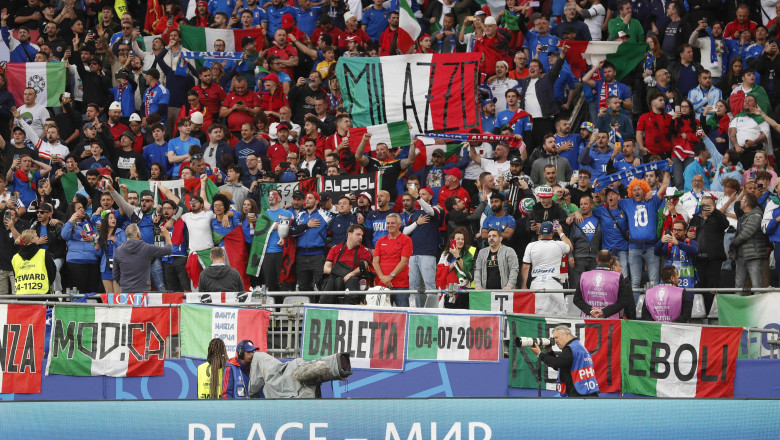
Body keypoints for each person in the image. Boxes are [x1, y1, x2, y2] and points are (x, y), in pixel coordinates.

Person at [528, 325, 599, 398]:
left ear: (566, 334)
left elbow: (557, 363)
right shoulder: (578, 346)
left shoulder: (571, 349)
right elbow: (561, 366)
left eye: (557, 337)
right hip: (585, 390)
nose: (555, 341)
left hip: (579, 393)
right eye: (554, 338)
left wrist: (540, 354)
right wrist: (549, 352)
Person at [688, 196, 729, 311]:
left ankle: (710, 313)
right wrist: (688, 235)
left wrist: (715, 212)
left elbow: (725, 224)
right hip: (698, 258)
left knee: (712, 286)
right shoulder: (695, 218)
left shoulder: (718, 217)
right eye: (703, 205)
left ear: (714, 206)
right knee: (700, 286)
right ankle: (700, 312)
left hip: (713, 258)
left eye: (708, 205)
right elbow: (689, 231)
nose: (705, 207)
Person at [574, 250, 634, 319]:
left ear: (597, 260)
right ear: (611, 261)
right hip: (611, 322)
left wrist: (591, 311)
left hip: (588, 320)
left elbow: (577, 299)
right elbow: (623, 301)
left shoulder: (584, 275)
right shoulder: (618, 277)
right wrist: (603, 312)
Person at [113, 223, 173, 292]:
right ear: (138, 234)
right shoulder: (146, 248)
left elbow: (115, 274)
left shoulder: (118, 251)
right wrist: (167, 235)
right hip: (143, 292)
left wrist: (124, 284)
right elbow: (169, 250)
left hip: (125, 291)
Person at [321, 224, 373, 304]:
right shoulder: (335, 248)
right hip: (336, 277)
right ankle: (324, 309)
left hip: (354, 279)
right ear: (349, 234)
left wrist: (350, 275)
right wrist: (341, 274)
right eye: (358, 234)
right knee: (331, 281)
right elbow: (326, 268)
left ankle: (349, 309)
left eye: (362, 235)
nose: (360, 238)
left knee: (352, 281)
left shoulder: (364, 250)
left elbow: (363, 267)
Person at [372, 213, 413, 307]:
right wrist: (383, 277)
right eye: (388, 223)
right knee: (381, 316)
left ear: (399, 224)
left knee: (403, 314)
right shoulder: (380, 241)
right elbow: (375, 261)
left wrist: (390, 276)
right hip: (382, 284)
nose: (390, 225)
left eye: (393, 223)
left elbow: (404, 261)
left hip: (401, 284)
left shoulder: (406, 240)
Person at [730, 193, 767, 288]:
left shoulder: (756, 216)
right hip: (741, 256)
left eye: (742, 200)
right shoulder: (743, 216)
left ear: (746, 203)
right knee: (738, 285)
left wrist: (732, 245)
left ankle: (758, 303)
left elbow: (745, 234)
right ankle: (739, 303)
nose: (740, 202)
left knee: (757, 285)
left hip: (754, 255)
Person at [11, 229, 57, 295]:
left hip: (22, 295)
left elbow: (16, 275)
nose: (38, 237)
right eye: (36, 236)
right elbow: (52, 272)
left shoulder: (15, 258)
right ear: (31, 239)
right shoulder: (43, 253)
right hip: (42, 295)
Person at [97, 211, 127, 294]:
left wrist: (115, 241)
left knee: (117, 293)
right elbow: (100, 254)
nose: (113, 220)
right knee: (108, 293)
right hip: (105, 267)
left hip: (117, 266)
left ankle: (117, 307)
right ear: (106, 221)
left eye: (114, 218)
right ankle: (109, 307)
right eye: (110, 218)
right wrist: (97, 249)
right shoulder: (102, 235)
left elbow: (125, 249)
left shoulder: (120, 232)